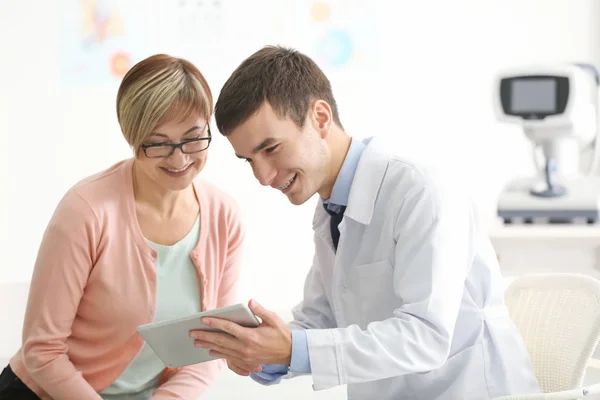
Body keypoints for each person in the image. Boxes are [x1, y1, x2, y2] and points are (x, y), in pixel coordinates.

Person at [187, 45, 541, 399]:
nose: (263, 177)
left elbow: (426, 337)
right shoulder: (333, 208)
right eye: (249, 160)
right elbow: (321, 317)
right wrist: (261, 352)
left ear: (320, 118)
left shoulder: (421, 190)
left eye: (271, 149)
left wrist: (293, 349)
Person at [0, 54, 245, 400]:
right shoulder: (86, 211)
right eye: (158, 143)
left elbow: (214, 345)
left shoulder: (223, 214)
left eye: (193, 138)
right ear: (132, 136)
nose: (179, 159)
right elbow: (43, 350)